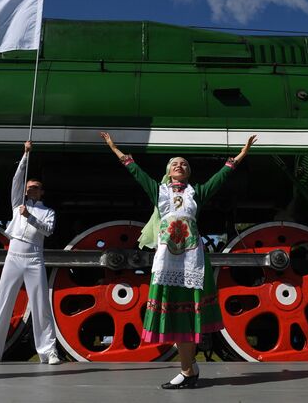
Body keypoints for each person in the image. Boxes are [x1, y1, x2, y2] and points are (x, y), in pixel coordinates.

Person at [100, 132, 256, 389]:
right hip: (167, 263)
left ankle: (188, 370)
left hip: (192, 260)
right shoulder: (159, 192)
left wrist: (241, 154)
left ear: (188, 172)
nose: (179, 165)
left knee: (186, 314)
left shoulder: (198, 193)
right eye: (175, 163)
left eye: (184, 163)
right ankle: (189, 369)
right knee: (175, 313)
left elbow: (221, 176)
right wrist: (114, 147)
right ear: (168, 172)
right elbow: (135, 171)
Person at [0, 141, 59, 365]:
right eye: (29, 188)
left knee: (40, 304)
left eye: (35, 188)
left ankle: (48, 351)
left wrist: (29, 216)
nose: (30, 190)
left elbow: (48, 230)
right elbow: (16, 181)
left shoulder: (47, 211)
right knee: (3, 303)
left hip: (34, 257)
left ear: (42, 191)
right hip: (14, 256)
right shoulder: (16, 204)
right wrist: (25, 156)